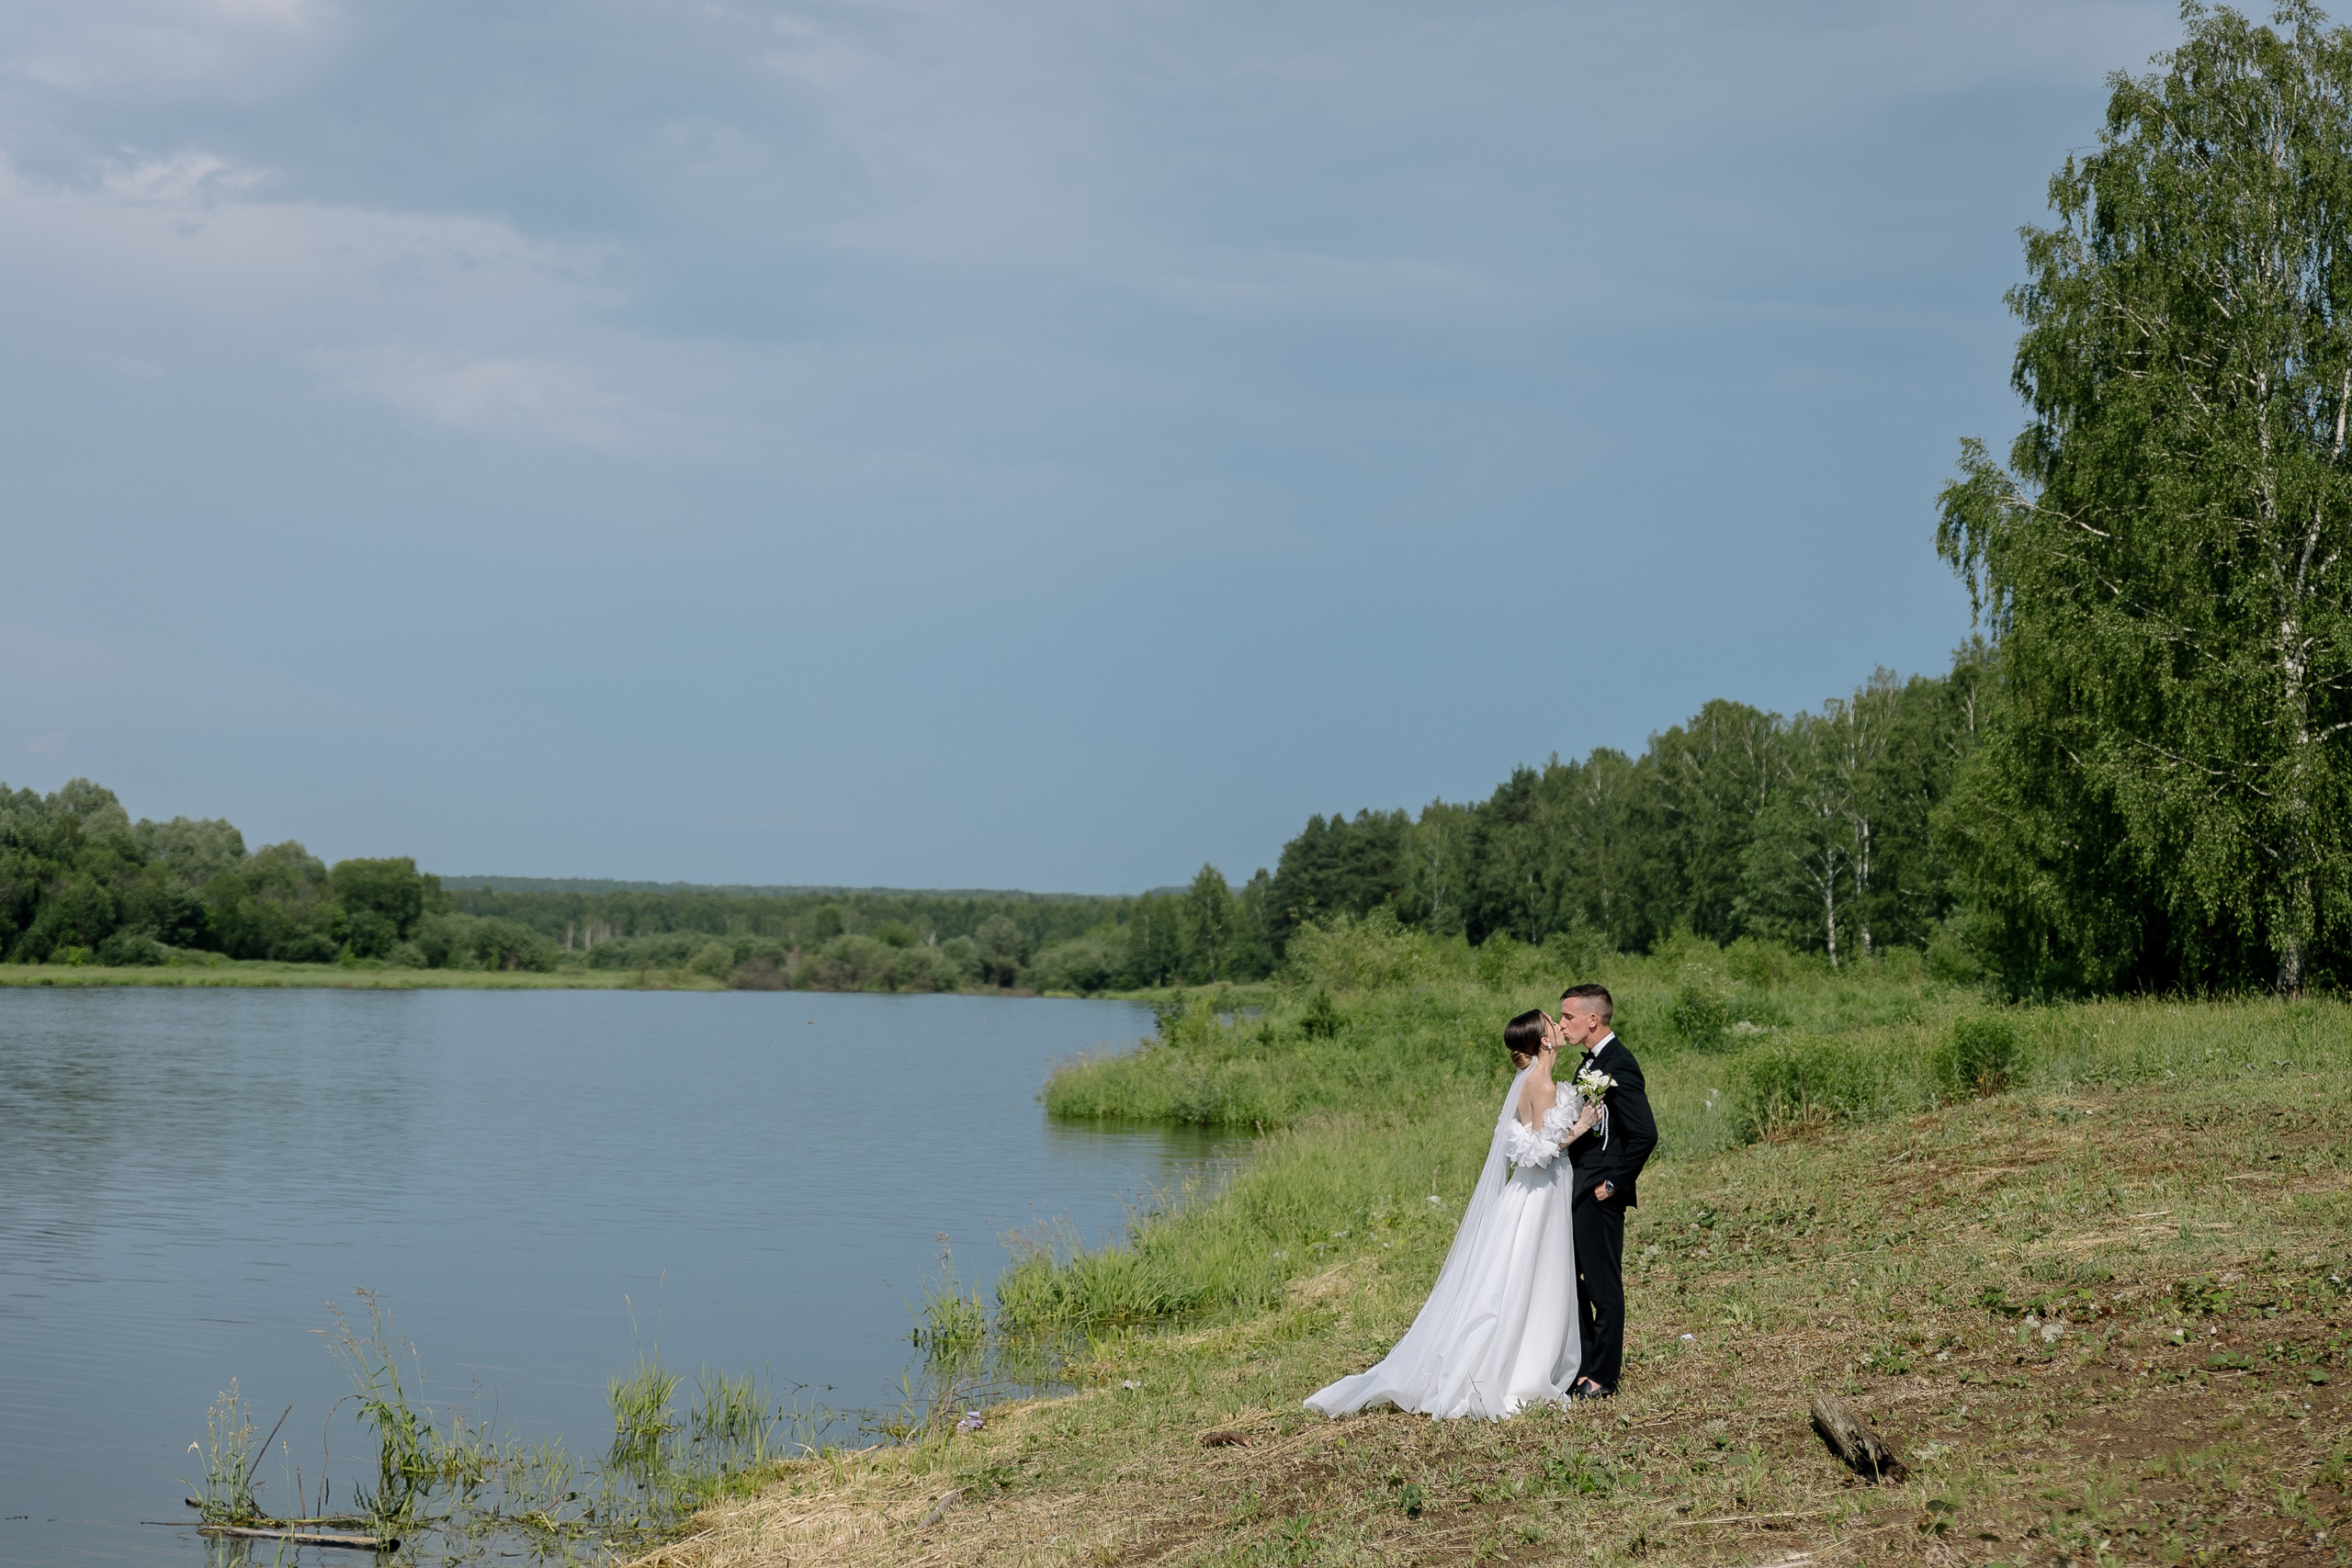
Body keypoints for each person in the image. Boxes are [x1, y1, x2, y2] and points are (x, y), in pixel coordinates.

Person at [1303, 1010, 1601, 1419]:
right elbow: (1537, 1152)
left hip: (1534, 1193)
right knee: (1532, 1277)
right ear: (1545, 1041)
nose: (1558, 1025)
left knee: (1519, 1277)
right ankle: (1519, 1369)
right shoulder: (1542, 1084)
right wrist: (1581, 1126)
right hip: (1539, 1195)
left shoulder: (1536, 1082)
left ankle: (1524, 1356)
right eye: (1553, 1022)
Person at [1555, 982, 1657, 1400]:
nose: (1562, 1024)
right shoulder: (1591, 1064)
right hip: (1578, 1188)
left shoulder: (1621, 1063)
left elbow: (1645, 1135)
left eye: (1568, 1017)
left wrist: (1613, 1183)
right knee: (1568, 1279)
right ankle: (1584, 1365)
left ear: (1592, 1019)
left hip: (1600, 1192)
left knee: (1602, 1284)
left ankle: (1603, 1377)